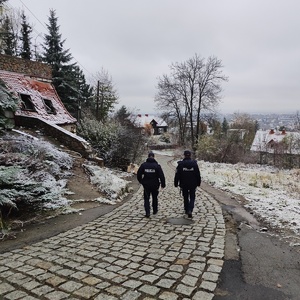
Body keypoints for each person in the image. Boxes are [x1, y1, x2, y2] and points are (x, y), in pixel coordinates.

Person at [137, 151, 166, 218]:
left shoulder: (144, 165)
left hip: (146, 185)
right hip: (155, 184)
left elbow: (139, 174)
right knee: (155, 197)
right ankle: (155, 210)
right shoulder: (157, 166)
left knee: (146, 198)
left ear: (148, 157)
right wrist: (163, 184)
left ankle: (147, 212)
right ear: (153, 157)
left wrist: (141, 181)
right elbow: (161, 176)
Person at [174, 150, 201, 218]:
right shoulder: (194, 164)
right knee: (192, 197)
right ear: (190, 155)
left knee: (185, 196)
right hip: (193, 183)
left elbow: (177, 175)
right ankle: (190, 209)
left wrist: (176, 183)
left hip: (184, 183)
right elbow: (197, 174)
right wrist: (198, 183)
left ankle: (186, 209)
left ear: (184, 155)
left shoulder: (180, 164)